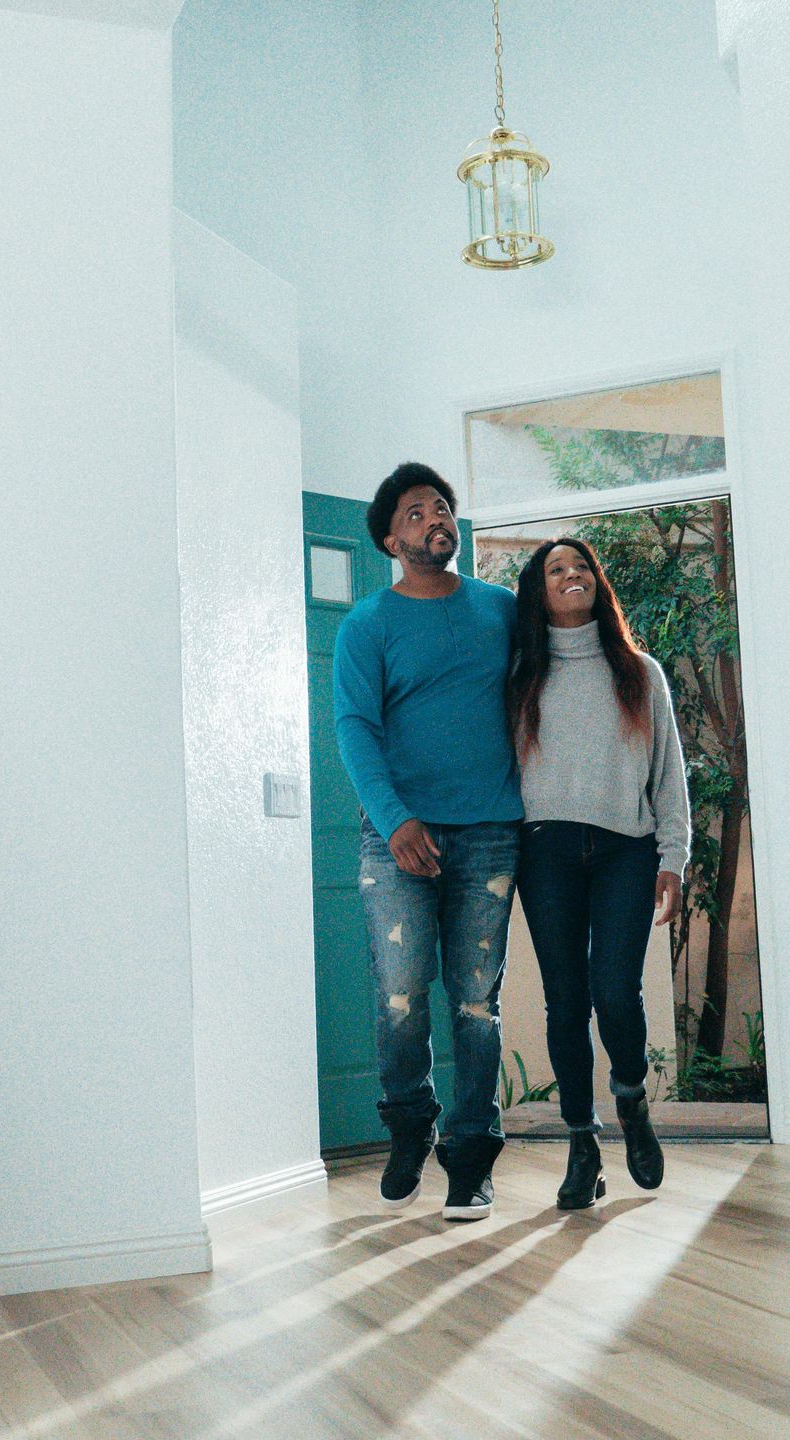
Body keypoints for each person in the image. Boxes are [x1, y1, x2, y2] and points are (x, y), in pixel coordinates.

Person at [333, 462, 522, 1221]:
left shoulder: (502, 609)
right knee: (402, 996)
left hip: (490, 836)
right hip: (396, 839)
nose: (433, 519)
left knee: (477, 1002)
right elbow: (354, 727)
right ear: (390, 537)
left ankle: (471, 1156)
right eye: (415, 513)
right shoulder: (367, 624)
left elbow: (553, 678)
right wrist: (396, 819)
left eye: (441, 508)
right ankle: (411, 1126)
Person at [506, 537, 691, 1210]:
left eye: (581, 565)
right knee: (566, 1001)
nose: (571, 574)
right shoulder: (521, 673)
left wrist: (674, 856)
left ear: (597, 583)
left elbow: (669, 775)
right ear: (540, 590)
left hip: (626, 850)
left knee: (615, 993)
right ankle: (582, 1145)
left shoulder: (640, 672)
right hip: (545, 850)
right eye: (557, 569)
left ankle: (631, 1101)